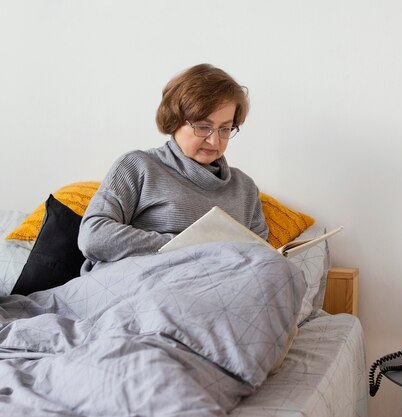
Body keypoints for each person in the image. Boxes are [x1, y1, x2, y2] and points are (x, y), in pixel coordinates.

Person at [77, 64, 268, 272]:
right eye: (203, 126)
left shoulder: (245, 189)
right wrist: (192, 247)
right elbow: (94, 237)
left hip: (220, 292)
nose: (215, 141)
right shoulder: (138, 166)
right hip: (143, 285)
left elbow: (261, 261)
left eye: (225, 128)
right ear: (174, 120)